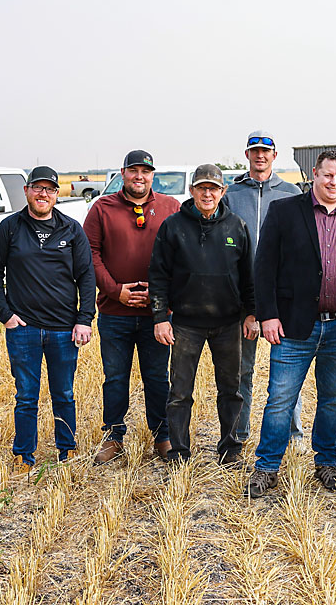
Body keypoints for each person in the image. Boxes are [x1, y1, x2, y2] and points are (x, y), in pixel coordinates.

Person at [246, 150, 336, 497]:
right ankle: (267, 467)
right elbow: (264, 267)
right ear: (314, 176)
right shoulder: (285, 212)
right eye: (328, 176)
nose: (334, 183)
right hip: (293, 326)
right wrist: (268, 315)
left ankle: (326, 463)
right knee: (280, 399)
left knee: (333, 399)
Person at [0, 166, 96, 470]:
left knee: (64, 394)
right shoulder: (9, 228)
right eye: (37, 188)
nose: (42, 194)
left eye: (49, 189)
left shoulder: (72, 230)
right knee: (26, 397)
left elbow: (86, 277)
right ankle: (24, 455)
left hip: (63, 330)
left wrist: (84, 319)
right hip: (24, 330)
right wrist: (5, 315)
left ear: (57, 194)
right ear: (26, 191)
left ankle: (67, 450)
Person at [148, 165, 257, 466]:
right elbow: (158, 276)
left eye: (214, 188)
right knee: (180, 392)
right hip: (186, 324)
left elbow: (249, 277)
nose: (207, 194)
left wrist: (251, 314)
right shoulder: (173, 227)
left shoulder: (237, 226)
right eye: (201, 188)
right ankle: (179, 452)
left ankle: (230, 449)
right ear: (192, 191)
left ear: (223, 192)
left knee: (231, 390)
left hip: (228, 324)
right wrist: (159, 318)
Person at [84, 149, 181, 464]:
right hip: (116, 313)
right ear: (122, 172)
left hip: (157, 315)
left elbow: (183, 253)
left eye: (146, 171)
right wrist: (115, 292)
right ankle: (113, 438)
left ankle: (162, 436)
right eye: (134, 170)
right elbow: (91, 255)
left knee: (156, 377)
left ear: (153, 175)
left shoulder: (170, 206)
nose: (140, 177)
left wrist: (162, 293)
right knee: (115, 378)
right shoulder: (102, 209)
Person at [223, 130, 303, 448]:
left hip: (284, 297)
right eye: (254, 151)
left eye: (265, 151)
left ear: (274, 155)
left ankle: (293, 433)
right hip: (244, 299)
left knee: (289, 371)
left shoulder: (292, 193)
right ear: (247, 155)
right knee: (242, 370)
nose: (260, 156)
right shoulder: (231, 195)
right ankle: (238, 433)